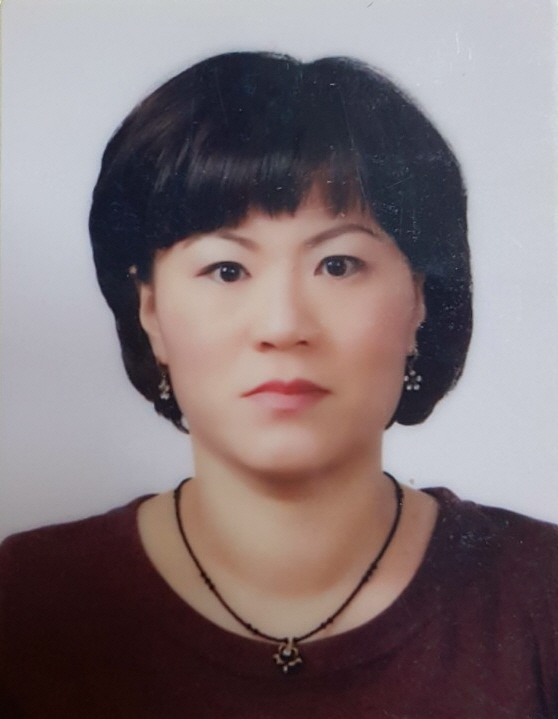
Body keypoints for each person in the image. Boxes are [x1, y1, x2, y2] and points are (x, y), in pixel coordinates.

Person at [0, 51, 556, 718]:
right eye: (227, 270)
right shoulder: (25, 600)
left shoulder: (542, 594)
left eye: (338, 264)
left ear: (420, 301)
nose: (283, 325)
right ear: (150, 311)